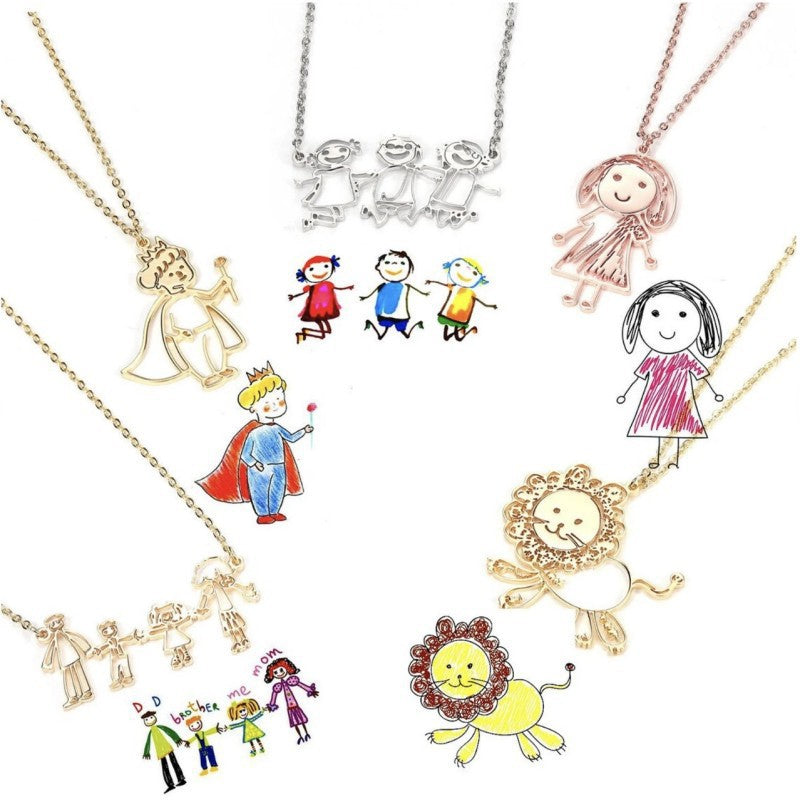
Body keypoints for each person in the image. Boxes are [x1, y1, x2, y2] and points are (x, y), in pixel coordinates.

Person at [617, 280, 724, 468]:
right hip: (655, 397)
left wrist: (714, 392)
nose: (667, 328)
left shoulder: (685, 357)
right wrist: (625, 393)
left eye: (683, 315)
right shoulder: (654, 357)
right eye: (655, 314)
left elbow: (701, 375)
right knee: (657, 427)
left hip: (680, 397)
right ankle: (660, 459)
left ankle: (674, 460)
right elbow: (640, 376)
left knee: (678, 428)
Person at [552, 155, 677, 312]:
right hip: (589, 248)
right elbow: (582, 225)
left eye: (642, 185)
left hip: (612, 254)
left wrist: (647, 255)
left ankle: (591, 299)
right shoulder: (601, 212)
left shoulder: (633, 222)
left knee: (602, 275)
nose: (624, 191)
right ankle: (574, 294)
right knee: (581, 268)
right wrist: (566, 235)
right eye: (617, 177)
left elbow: (641, 239)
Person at [197, 364, 312, 524]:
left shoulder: (277, 428)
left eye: (279, 401)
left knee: (277, 490)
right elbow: (245, 454)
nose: (275, 406)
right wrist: (254, 463)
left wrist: (304, 431)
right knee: (260, 491)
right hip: (260, 469)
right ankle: (263, 514)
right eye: (268, 403)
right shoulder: (253, 432)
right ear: (253, 408)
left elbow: (291, 438)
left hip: (279, 466)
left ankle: (274, 511)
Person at [123, 239, 244, 387]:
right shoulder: (168, 306)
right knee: (197, 356)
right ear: (160, 284)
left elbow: (211, 297)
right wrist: (180, 334)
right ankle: (207, 376)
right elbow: (168, 329)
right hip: (190, 337)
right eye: (171, 274)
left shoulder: (192, 293)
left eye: (181, 266)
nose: (179, 273)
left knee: (216, 348)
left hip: (208, 327)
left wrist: (222, 285)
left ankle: (221, 369)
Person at [359, 250, 429, 339]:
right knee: (384, 333)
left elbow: (417, 290)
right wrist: (365, 297)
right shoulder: (383, 285)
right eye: (387, 262)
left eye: (402, 263)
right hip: (385, 314)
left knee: (405, 334)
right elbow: (372, 293)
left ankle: (417, 324)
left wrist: (424, 293)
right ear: (379, 267)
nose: (394, 264)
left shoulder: (405, 286)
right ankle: (369, 323)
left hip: (401, 315)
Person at [426, 257, 497, 341]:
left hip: (461, 317)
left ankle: (469, 329)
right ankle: (467, 329)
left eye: (474, 273)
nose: (465, 273)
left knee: (457, 337)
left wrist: (490, 306)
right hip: (447, 314)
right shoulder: (453, 287)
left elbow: (479, 301)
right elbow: (443, 284)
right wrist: (431, 281)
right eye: (458, 265)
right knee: (447, 336)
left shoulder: (470, 293)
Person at [289, 255, 354, 342]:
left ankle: (305, 331)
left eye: (326, 266)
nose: (320, 272)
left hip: (326, 310)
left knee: (328, 331)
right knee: (323, 333)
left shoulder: (329, 284)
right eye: (311, 269)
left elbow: (338, 288)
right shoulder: (312, 287)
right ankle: (303, 333)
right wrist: (293, 296)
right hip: (314, 311)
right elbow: (303, 293)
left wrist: (348, 287)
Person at [39, 614, 94, 710]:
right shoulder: (54, 640)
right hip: (64, 661)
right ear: (49, 627)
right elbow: (51, 650)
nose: (56, 624)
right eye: (53, 623)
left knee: (80, 673)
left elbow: (77, 639)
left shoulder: (67, 634)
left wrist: (87, 649)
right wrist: (47, 664)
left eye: (58, 621)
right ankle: (72, 697)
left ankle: (86, 692)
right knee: (68, 678)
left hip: (74, 657)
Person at [265, 657, 319, 745]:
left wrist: (310, 690)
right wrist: (272, 705)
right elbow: (274, 695)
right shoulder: (278, 686)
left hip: (295, 706)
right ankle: (300, 736)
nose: (279, 674)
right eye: (275, 672)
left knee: (302, 721)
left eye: (281, 670)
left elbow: (300, 685)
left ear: (287, 668)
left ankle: (306, 733)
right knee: (295, 723)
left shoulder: (292, 680)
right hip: (290, 708)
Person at [141, 710, 189, 793]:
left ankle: (181, 779)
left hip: (167, 747)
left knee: (174, 762)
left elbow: (170, 732)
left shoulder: (161, 727)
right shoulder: (151, 732)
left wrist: (177, 739)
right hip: (160, 751)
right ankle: (170, 784)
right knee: (165, 767)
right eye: (146, 719)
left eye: (151, 718)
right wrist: (146, 753)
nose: (149, 720)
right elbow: (148, 743)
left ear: (154, 717)